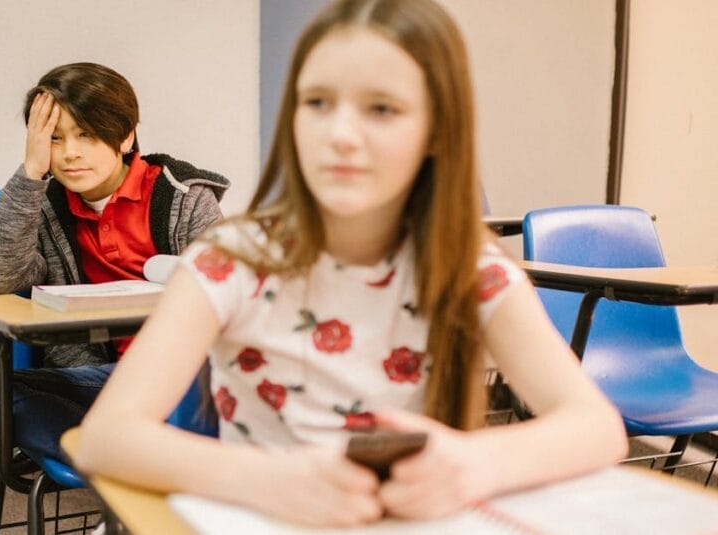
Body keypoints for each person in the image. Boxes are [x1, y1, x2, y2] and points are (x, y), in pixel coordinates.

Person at [73, 0, 627, 528]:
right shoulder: (231, 260)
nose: (339, 135)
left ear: (437, 129)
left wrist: (476, 462)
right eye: (316, 103)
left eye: (381, 109)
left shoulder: (469, 269)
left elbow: (597, 427)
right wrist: (269, 480)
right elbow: (108, 436)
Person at [0, 62, 229, 463]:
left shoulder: (183, 196)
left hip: (182, 376)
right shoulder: (46, 206)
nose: (70, 154)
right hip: (104, 379)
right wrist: (31, 172)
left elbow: (225, 299)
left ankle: (122, 454)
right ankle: (129, 461)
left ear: (124, 136)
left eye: (86, 135)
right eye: (54, 139)